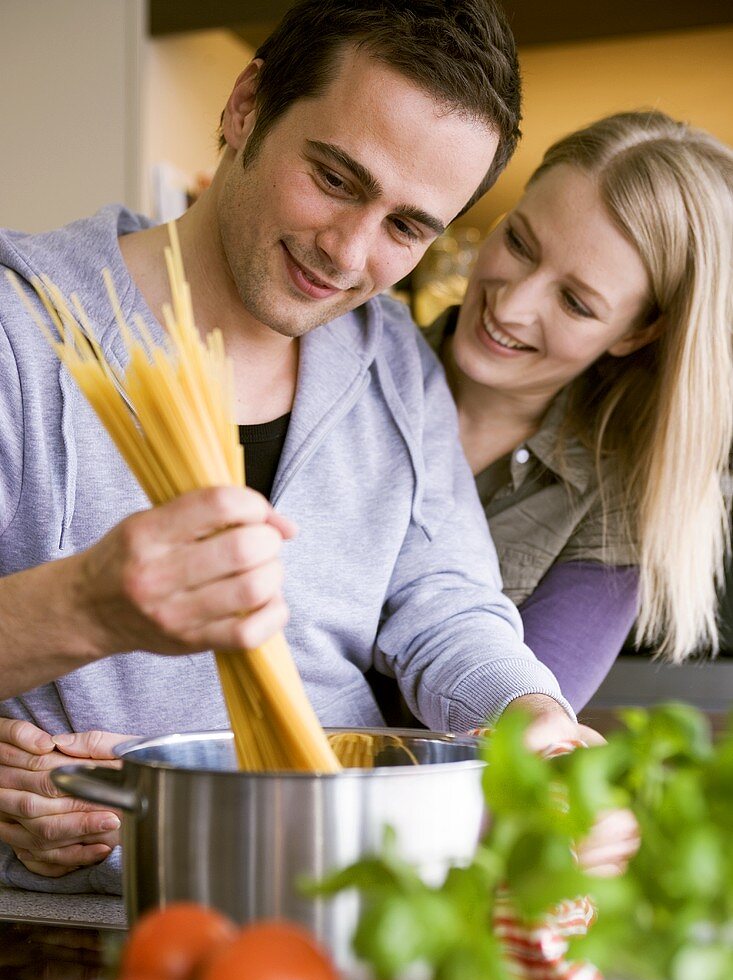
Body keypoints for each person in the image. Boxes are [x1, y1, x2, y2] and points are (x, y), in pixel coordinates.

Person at [0, 0, 634, 893]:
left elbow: (442, 599)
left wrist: (526, 712)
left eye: (408, 227)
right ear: (246, 105)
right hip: (95, 924)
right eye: (336, 179)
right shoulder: (21, 330)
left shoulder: (393, 360)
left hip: (351, 905)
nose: (349, 254)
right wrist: (81, 607)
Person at [426, 111, 733, 710]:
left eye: (575, 302)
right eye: (518, 242)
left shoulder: (618, 505)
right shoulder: (349, 363)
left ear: (639, 333)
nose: (511, 306)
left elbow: (519, 738)